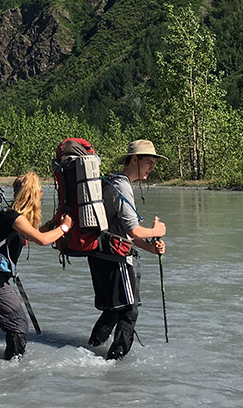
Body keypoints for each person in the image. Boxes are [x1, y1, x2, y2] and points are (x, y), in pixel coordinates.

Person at [0, 172, 73, 360]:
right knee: (18, 326)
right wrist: (65, 227)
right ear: (32, 194)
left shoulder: (6, 214)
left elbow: (29, 235)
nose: (42, 194)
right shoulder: (14, 217)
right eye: (40, 191)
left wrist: (53, 223)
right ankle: (13, 371)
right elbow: (42, 240)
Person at [87, 139, 168, 360]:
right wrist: (156, 230)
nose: (152, 167)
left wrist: (151, 249)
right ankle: (116, 360)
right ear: (134, 159)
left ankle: (91, 348)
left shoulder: (109, 181)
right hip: (116, 260)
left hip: (100, 255)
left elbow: (121, 233)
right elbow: (133, 231)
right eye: (149, 162)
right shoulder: (122, 186)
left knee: (115, 309)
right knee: (129, 310)